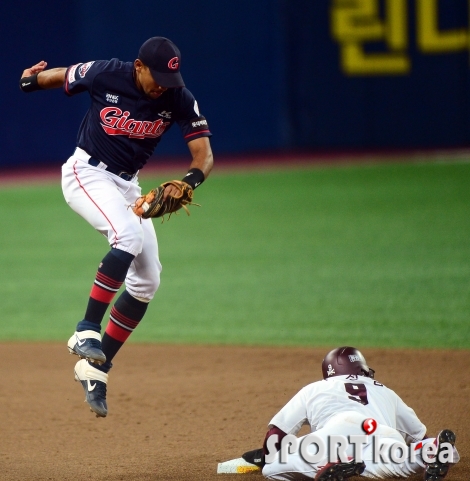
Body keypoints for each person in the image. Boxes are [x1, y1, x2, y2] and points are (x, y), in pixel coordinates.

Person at [19, 37, 214, 418]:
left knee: (147, 281)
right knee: (127, 234)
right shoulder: (108, 72)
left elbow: (203, 155)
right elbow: (63, 76)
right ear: (139, 66)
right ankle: (87, 328)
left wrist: (190, 181)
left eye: (168, 79)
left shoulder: (178, 97)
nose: (162, 85)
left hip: (128, 185)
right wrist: (29, 81)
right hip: (85, 173)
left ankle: (95, 367)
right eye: (156, 77)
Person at [242, 347, 459, 481]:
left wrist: (270, 455)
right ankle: (428, 452)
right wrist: (425, 441)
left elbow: (276, 435)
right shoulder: (385, 391)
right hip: (382, 433)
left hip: (339, 432)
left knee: (271, 470)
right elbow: (419, 433)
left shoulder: (315, 388)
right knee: (397, 463)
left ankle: (333, 461)